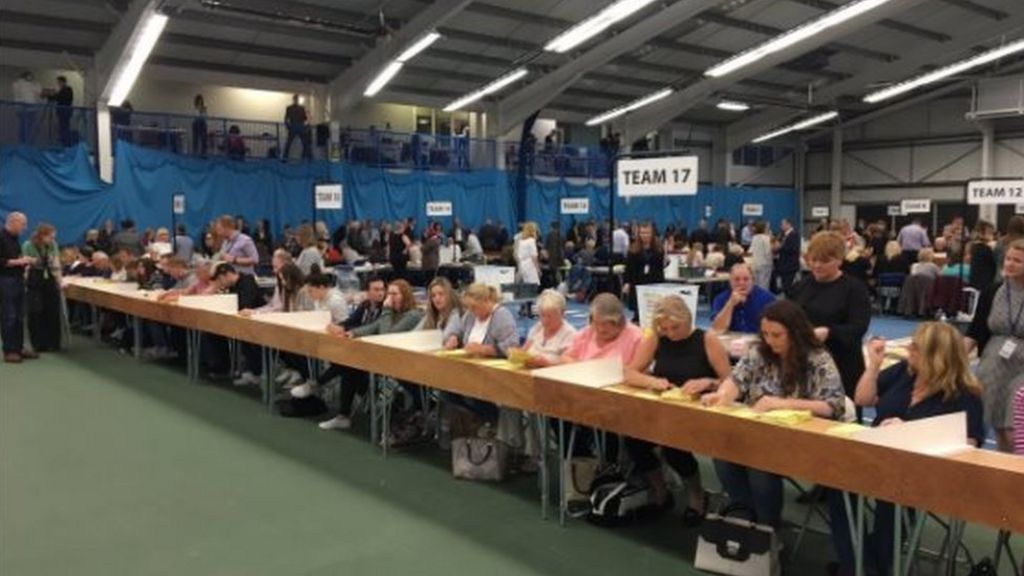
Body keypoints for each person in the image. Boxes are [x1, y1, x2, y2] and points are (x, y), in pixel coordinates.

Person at [829, 322, 985, 576]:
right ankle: (859, 564)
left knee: (893, 500)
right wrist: (874, 367)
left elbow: (969, 445)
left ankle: (862, 566)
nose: (907, 350)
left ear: (936, 355)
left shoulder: (965, 394)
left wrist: (908, 430)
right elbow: (862, 399)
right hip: (877, 458)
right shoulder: (905, 372)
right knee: (837, 486)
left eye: (915, 347)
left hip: (921, 474)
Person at [703, 300, 845, 528]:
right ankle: (746, 516)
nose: (770, 341)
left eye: (777, 335)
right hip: (758, 432)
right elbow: (736, 379)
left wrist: (779, 403)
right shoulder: (758, 352)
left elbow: (831, 406)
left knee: (760, 465)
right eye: (766, 334)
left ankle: (767, 528)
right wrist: (723, 395)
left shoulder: (818, 358)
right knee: (723, 454)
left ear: (795, 332)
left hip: (799, 437)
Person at [624, 296, 731, 524]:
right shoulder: (657, 339)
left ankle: (696, 494)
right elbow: (630, 372)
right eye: (664, 328)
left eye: (675, 327)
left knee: (674, 447)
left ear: (688, 320)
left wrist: (707, 382)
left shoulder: (706, 340)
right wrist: (652, 382)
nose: (670, 333)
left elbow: (730, 380)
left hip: (699, 410)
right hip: (665, 408)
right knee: (633, 439)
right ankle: (660, 490)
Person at [789, 232, 871, 401]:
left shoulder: (855, 290)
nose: (817, 265)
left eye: (825, 261)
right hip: (804, 364)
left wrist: (829, 332)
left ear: (840, 260)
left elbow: (858, 327)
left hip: (842, 365)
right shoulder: (800, 286)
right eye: (813, 260)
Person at [289, 274, 384, 416]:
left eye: (383, 289)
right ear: (367, 292)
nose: (381, 293)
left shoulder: (385, 310)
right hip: (357, 350)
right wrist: (339, 327)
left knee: (346, 363)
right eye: (376, 289)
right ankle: (340, 412)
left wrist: (350, 331)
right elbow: (350, 321)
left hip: (375, 354)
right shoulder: (365, 306)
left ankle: (316, 384)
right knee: (346, 363)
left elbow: (375, 328)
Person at [967, 238, 1024, 452]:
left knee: (1014, 430)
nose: (1009, 264)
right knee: (998, 427)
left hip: (1022, 369)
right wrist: (952, 361)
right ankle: (1006, 476)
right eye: (1008, 259)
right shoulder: (994, 290)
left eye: (1017, 261)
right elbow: (976, 331)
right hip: (993, 365)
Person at [442, 283, 520, 423]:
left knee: (469, 394)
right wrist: (452, 337)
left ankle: (491, 422)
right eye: (469, 307)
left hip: (492, 375)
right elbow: (456, 329)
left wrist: (485, 349)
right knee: (446, 390)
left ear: (486, 301)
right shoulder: (471, 315)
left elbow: (512, 346)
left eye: (474, 307)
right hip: (469, 370)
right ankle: (474, 424)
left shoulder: (501, 316)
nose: (471, 311)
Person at [1, 213, 39, 363]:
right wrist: (19, 261)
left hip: (17, 279)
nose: (25, 228)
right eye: (23, 224)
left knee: (19, 316)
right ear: (14, 222)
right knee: (9, 316)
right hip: (5, 280)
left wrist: (25, 262)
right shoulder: (1, 237)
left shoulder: (15, 239)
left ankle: (18, 348)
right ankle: (9, 350)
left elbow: (15, 258)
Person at [22, 222, 63, 352]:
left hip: (49, 278)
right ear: (42, 235)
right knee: (36, 311)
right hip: (34, 279)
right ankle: (38, 343)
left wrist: (59, 282)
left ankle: (53, 343)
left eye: (53, 238)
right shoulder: (28, 245)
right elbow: (25, 265)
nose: (53, 240)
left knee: (52, 310)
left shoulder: (53, 245)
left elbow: (56, 264)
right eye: (50, 237)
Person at [516, 289, 577, 368]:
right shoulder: (537, 327)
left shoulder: (570, 334)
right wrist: (517, 355)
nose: (545, 320)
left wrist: (548, 363)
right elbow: (523, 351)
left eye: (550, 316)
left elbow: (571, 364)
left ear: (562, 314)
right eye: (542, 315)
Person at [710, 263, 776, 334]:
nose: (741, 283)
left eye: (746, 279)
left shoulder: (767, 298)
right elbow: (717, 329)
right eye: (736, 279)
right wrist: (730, 304)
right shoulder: (720, 299)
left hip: (757, 340)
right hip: (730, 341)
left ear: (752, 281)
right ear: (730, 281)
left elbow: (774, 328)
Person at [623, 222, 664, 320]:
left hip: (653, 282)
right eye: (642, 233)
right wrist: (626, 283)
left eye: (647, 233)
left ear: (652, 234)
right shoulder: (633, 249)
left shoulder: (658, 249)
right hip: (637, 282)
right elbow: (628, 268)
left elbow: (660, 268)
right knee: (638, 311)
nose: (645, 235)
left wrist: (662, 284)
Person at [13, 71, 43, 144]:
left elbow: (38, 92)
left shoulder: (18, 84)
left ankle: (25, 143)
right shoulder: (23, 84)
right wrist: (35, 83)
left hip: (27, 109)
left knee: (26, 127)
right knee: (26, 127)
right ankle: (25, 143)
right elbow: (38, 91)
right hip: (26, 108)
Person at [45, 75, 74, 146]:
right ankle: (63, 141)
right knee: (61, 126)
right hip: (61, 112)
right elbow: (56, 98)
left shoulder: (67, 89)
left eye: (59, 82)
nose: (58, 84)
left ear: (62, 82)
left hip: (65, 111)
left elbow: (61, 97)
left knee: (65, 126)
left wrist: (54, 94)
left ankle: (66, 142)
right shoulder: (62, 90)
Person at [969, 220, 997, 292]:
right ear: (981, 233)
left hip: (976, 283)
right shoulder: (984, 249)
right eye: (990, 233)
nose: (992, 235)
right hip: (984, 285)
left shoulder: (974, 247)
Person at [775, 218, 801, 294]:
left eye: (783, 224)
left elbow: (794, 249)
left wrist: (780, 247)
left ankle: (789, 302)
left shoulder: (794, 235)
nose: (781, 226)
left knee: (787, 287)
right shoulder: (783, 235)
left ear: (789, 224)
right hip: (783, 264)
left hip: (790, 265)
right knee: (784, 286)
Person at [282, 94, 311, 161]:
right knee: (291, 143)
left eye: (296, 99)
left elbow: (305, 118)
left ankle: (305, 157)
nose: (296, 100)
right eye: (296, 99)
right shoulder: (293, 108)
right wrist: (288, 126)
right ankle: (306, 158)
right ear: (294, 99)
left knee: (304, 143)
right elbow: (286, 119)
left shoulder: (298, 108)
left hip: (297, 126)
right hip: (296, 126)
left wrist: (289, 126)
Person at [516, 222, 541, 296]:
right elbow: (534, 256)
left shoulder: (521, 241)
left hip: (522, 264)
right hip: (529, 264)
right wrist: (537, 268)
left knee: (526, 283)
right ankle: (530, 302)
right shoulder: (531, 241)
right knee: (533, 284)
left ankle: (524, 303)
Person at [749, 220, 773, 290]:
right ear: (764, 228)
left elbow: (751, 251)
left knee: (756, 284)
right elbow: (768, 252)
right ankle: (763, 300)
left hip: (755, 263)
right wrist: (771, 263)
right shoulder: (766, 238)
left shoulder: (754, 238)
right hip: (765, 265)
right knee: (764, 285)